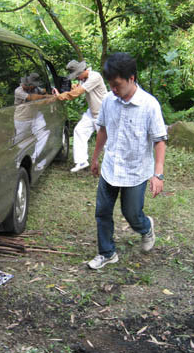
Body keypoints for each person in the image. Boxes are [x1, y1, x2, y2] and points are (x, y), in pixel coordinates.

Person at [88, 53, 167, 270]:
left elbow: (159, 141)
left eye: (117, 85)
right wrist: (95, 158)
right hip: (111, 166)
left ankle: (146, 227)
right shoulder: (108, 100)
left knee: (131, 214)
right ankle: (107, 252)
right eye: (110, 85)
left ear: (131, 78)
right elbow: (103, 130)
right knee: (102, 211)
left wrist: (157, 174)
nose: (113, 89)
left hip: (136, 171)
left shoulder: (149, 105)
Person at [53, 60, 107, 172]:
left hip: (103, 113)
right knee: (79, 131)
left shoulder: (95, 77)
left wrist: (60, 96)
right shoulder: (84, 79)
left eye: (77, 76)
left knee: (107, 142)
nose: (77, 78)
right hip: (91, 112)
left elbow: (77, 92)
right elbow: (76, 88)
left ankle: (115, 165)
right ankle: (81, 161)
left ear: (83, 71)